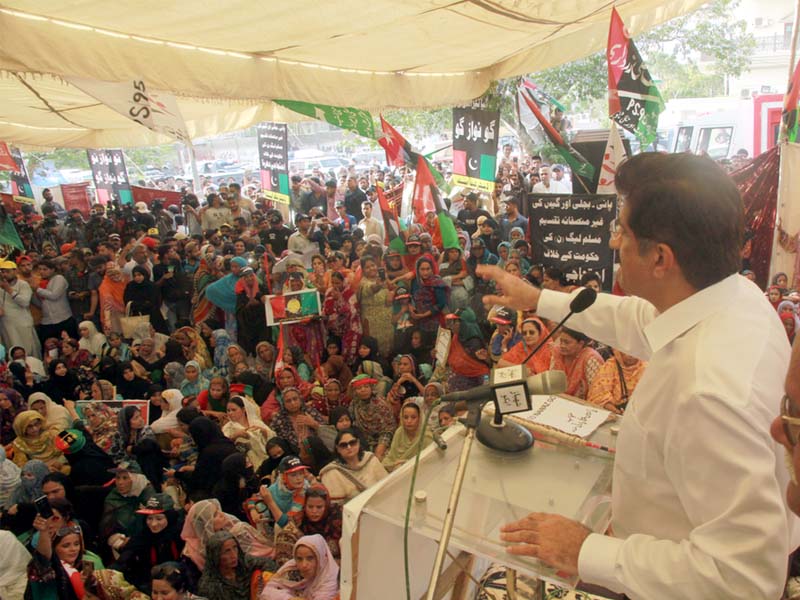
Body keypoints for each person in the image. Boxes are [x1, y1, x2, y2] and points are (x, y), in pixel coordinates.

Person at [478, 152, 798, 598]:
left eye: (623, 232)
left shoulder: (706, 393)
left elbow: (741, 577)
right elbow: (637, 318)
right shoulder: (732, 295)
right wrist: (539, 299)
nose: (613, 243)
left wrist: (584, 552)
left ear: (661, 258)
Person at [198, 531, 276, 600]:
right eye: (226, 551)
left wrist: (262, 585)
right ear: (216, 556)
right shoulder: (209, 586)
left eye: (235, 548)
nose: (234, 555)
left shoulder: (243, 562)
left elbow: (268, 564)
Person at [319, 428, 388, 504]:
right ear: (338, 449)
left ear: (358, 443)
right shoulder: (332, 472)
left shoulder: (371, 460)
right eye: (343, 445)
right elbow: (335, 505)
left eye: (352, 443)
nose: (349, 447)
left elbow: (387, 486)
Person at [261, 534, 339, 600]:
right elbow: (267, 592)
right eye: (299, 559)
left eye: (310, 558)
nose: (304, 565)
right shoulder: (292, 566)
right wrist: (290, 599)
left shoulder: (330, 577)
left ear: (320, 557)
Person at [0, 260, 41, 359]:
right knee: (12, 351)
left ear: (15, 271)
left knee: (28, 350)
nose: (4, 274)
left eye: (7, 271)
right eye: (2, 271)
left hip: (22, 323)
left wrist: (9, 289)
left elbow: (25, 302)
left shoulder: (23, 284)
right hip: (6, 324)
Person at [586, 349, 647, 414]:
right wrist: (615, 411)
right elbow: (598, 395)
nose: (630, 356)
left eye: (635, 352)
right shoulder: (610, 366)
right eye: (627, 352)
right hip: (609, 412)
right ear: (619, 351)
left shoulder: (646, 369)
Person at [382, 401, 433, 472]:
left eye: (413, 417)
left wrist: (407, 464)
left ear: (419, 418)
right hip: (397, 469)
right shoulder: (399, 432)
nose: (409, 421)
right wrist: (395, 464)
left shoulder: (426, 436)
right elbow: (391, 456)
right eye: (405, 417)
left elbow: (430, 461)